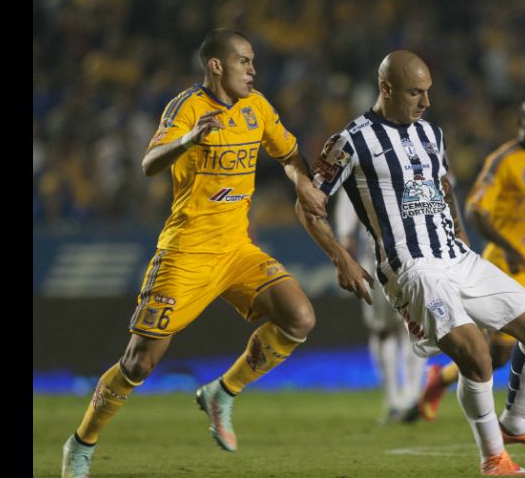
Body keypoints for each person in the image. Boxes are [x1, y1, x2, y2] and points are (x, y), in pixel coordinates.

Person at [61, 29, 327, 478]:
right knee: (138, 362)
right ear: (216, 65)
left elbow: (289, 152)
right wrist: (187, 141)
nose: (253, 69)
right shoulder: (186, 107)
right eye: (244, 60)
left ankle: (223, 392)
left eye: (253, 61)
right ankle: (81, 443)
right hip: (186, 251)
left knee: (299, 317)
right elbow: (149, 163)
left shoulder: (257, 106)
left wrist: (300, 179)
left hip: (238, 249)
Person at [295, 50, 525, 476]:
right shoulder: (349, 141)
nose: (426, 102)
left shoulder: (430, 134)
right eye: (416, 93)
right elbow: (308, 206)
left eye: (428, 92)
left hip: (456, 256)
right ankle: (493, 457)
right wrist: (342, 258)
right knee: (476, 355)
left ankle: (516, 422)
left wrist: (459, 231)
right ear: (386, 89)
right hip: (412, 269)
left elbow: (442, 186)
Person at [418, 92, 525, 432]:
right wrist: (510, 247)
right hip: (507, 266)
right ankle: (439, 377)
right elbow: (475, 210)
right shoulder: (503, 160)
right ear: (520, 121)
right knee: (499, 356)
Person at [334, 190, 426, 423]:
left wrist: (346, 236)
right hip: (389, 257)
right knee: (400, 327)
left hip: (405, 255)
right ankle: (403, 399)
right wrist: (345, 236)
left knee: (402, 328)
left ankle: (404, 399)